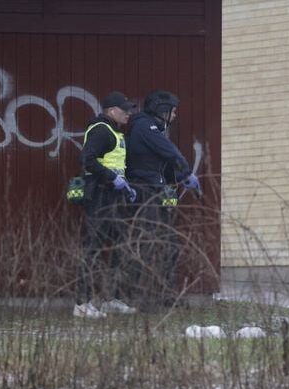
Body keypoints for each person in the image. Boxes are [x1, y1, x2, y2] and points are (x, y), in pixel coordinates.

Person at [125, 90, 200, 307]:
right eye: (173, 111)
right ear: (162, 110)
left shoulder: (152, 129)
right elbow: (170, 152)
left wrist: (179, 178)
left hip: (155, 190)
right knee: (149, 244)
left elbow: (159, 164)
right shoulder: (145, 127)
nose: (175, 116)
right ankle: (143, 298)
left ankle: (167, 294)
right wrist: (186, 172)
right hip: (145, 192)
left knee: (169, 244)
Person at [74, 91, 139, 318]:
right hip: (101, 197)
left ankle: (112, 299)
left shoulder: (114, 131)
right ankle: (82, 304)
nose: (128, 114)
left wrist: (125, 186)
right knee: (92, 249)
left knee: (120, 248)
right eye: (124, 110)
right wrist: (113, 178)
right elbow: (87, 160)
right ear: (112, 111)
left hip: (114, 198)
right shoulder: (101, 130)